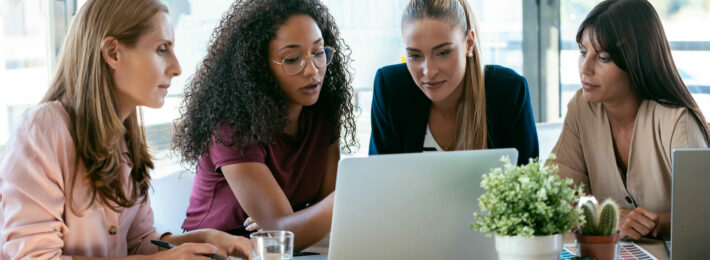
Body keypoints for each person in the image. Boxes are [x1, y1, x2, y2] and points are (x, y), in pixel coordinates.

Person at [0, 0, 252, 259]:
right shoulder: (40, 132)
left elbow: (138, 244)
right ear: (113, 53)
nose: (177, 68)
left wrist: (207, 239)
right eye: (161, 49)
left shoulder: (124, 136)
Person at [172, 0, 356, 250]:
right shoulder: (232, 125)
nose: (313, 70)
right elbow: (283, 234)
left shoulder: (323, 112)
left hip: (293, 250)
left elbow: (323, 213)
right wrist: (356, 191)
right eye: (292, 59)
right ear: (258, 67)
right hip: (218, 252)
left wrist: (293, 221)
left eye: (319, 52)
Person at [551, 0, 710, 240]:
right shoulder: (581, 108)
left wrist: (654, 224)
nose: (585, 68)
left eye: (603, 57)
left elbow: (702, 215)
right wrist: (608, 217)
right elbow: (553, 201)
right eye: (583, 52)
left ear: (637, 60)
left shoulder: (677, 122)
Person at [369, 0, 539, 165]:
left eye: (443, 52)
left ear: (469, 43)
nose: (429, 71)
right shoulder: (391, 88)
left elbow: (526, 185)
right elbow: (379, 181)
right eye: (414, 55)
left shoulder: (508, 91)